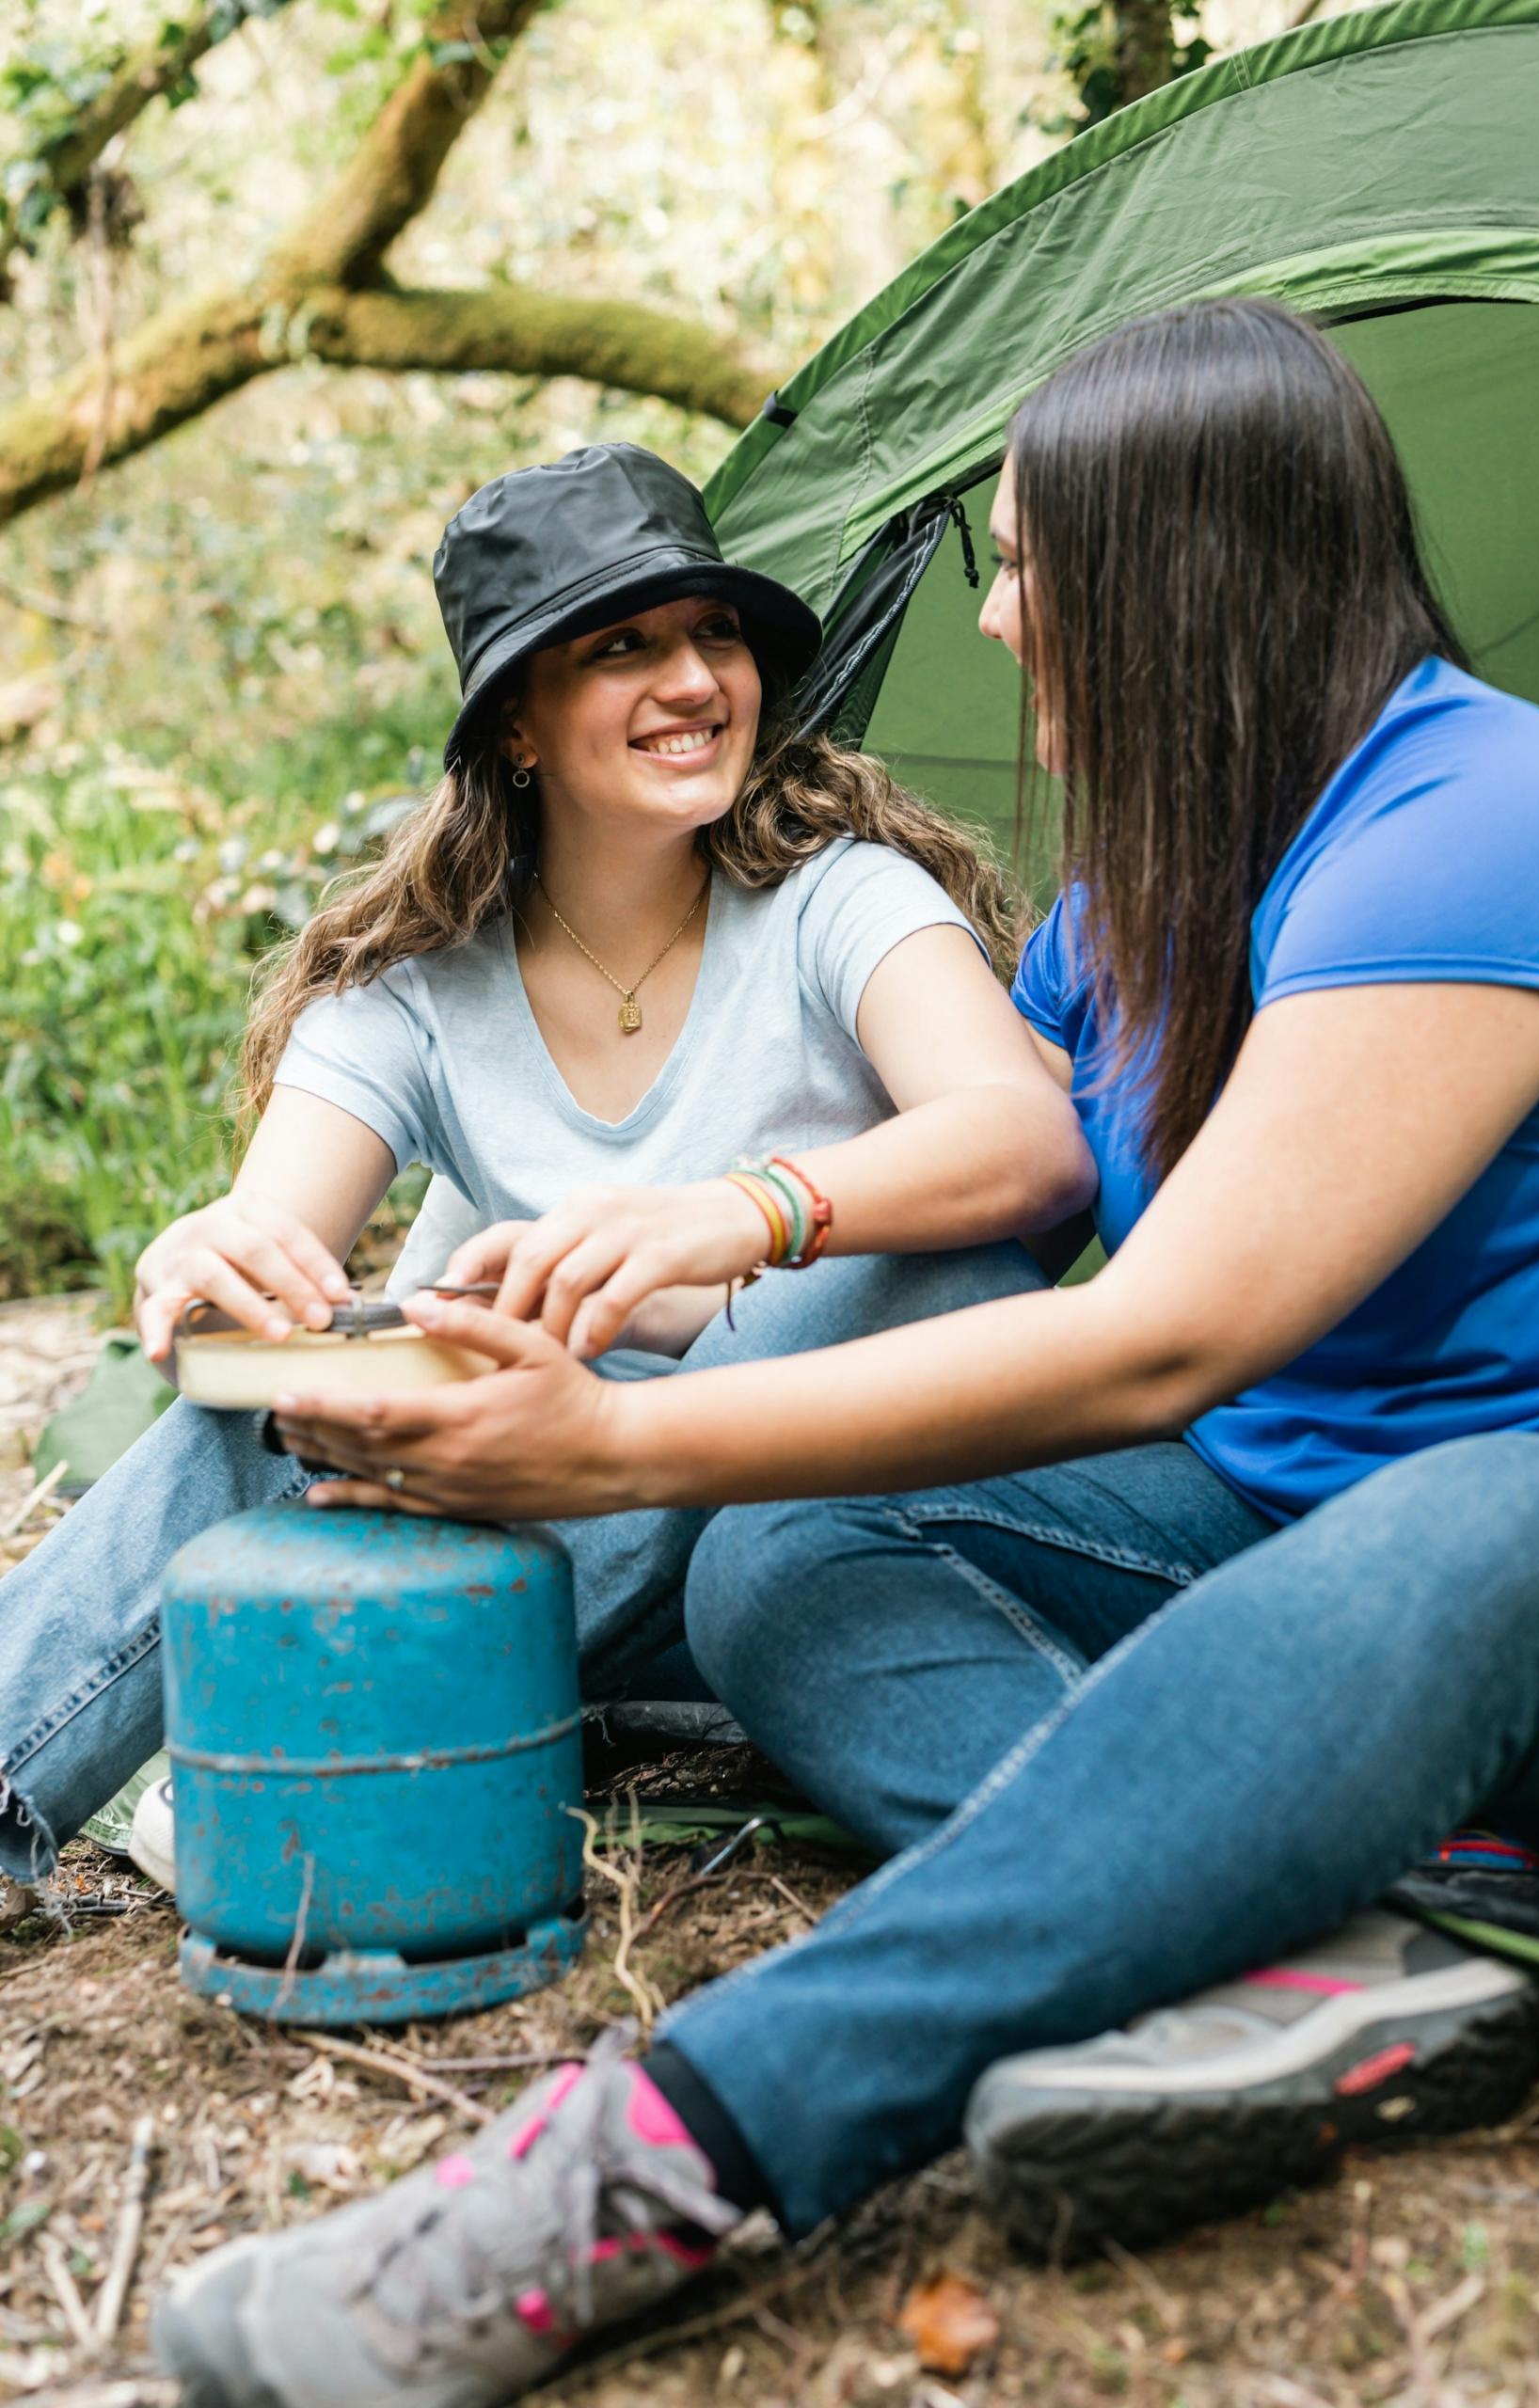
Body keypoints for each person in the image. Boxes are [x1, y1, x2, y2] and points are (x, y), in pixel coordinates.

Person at [155, 294, 1539, 2408]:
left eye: (1022, 564)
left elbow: (1160, 1336)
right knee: (791, 1552)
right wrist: (643, 1263)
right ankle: (1324, 1934)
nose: (1002, 620)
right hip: (1273, 1556)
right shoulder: (1128, 909)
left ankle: (650, 2162)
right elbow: (999, 1199)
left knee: (1478, 1518)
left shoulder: (1487, 815)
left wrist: (618, 1452)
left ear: (1170, 567)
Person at [0, 441, 1092, 1893]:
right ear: (518, 722)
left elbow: (1029, 1142)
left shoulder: (840, 900)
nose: (696, 680)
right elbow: (270, 1261)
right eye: (622, 647)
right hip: (572, 1566)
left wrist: (734, 1216)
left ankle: (350, 1701)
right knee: (258, 1406)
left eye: (714, 634)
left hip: (820, 1538)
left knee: (935, 1267)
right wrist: (203, 1272)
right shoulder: (411, 990)